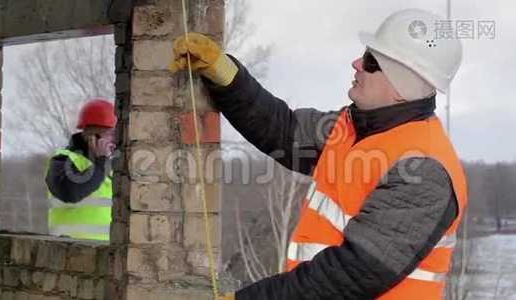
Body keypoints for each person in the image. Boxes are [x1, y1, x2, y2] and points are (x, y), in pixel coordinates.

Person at [171, 9, 468, 300]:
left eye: (370, 61)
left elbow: (348, 275)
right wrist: (224, 73)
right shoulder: (351, 126)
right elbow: (283, 130)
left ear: (401, 86)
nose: (356, 64)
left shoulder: (425, 170)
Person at [45, 98, 117, 241]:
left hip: (104, 253)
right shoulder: (62, 161)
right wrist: (99, 163)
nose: (115, 141)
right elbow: (70, 193)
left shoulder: (109, 168)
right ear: (93, 136)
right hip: (69, 252)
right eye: (110, 134)